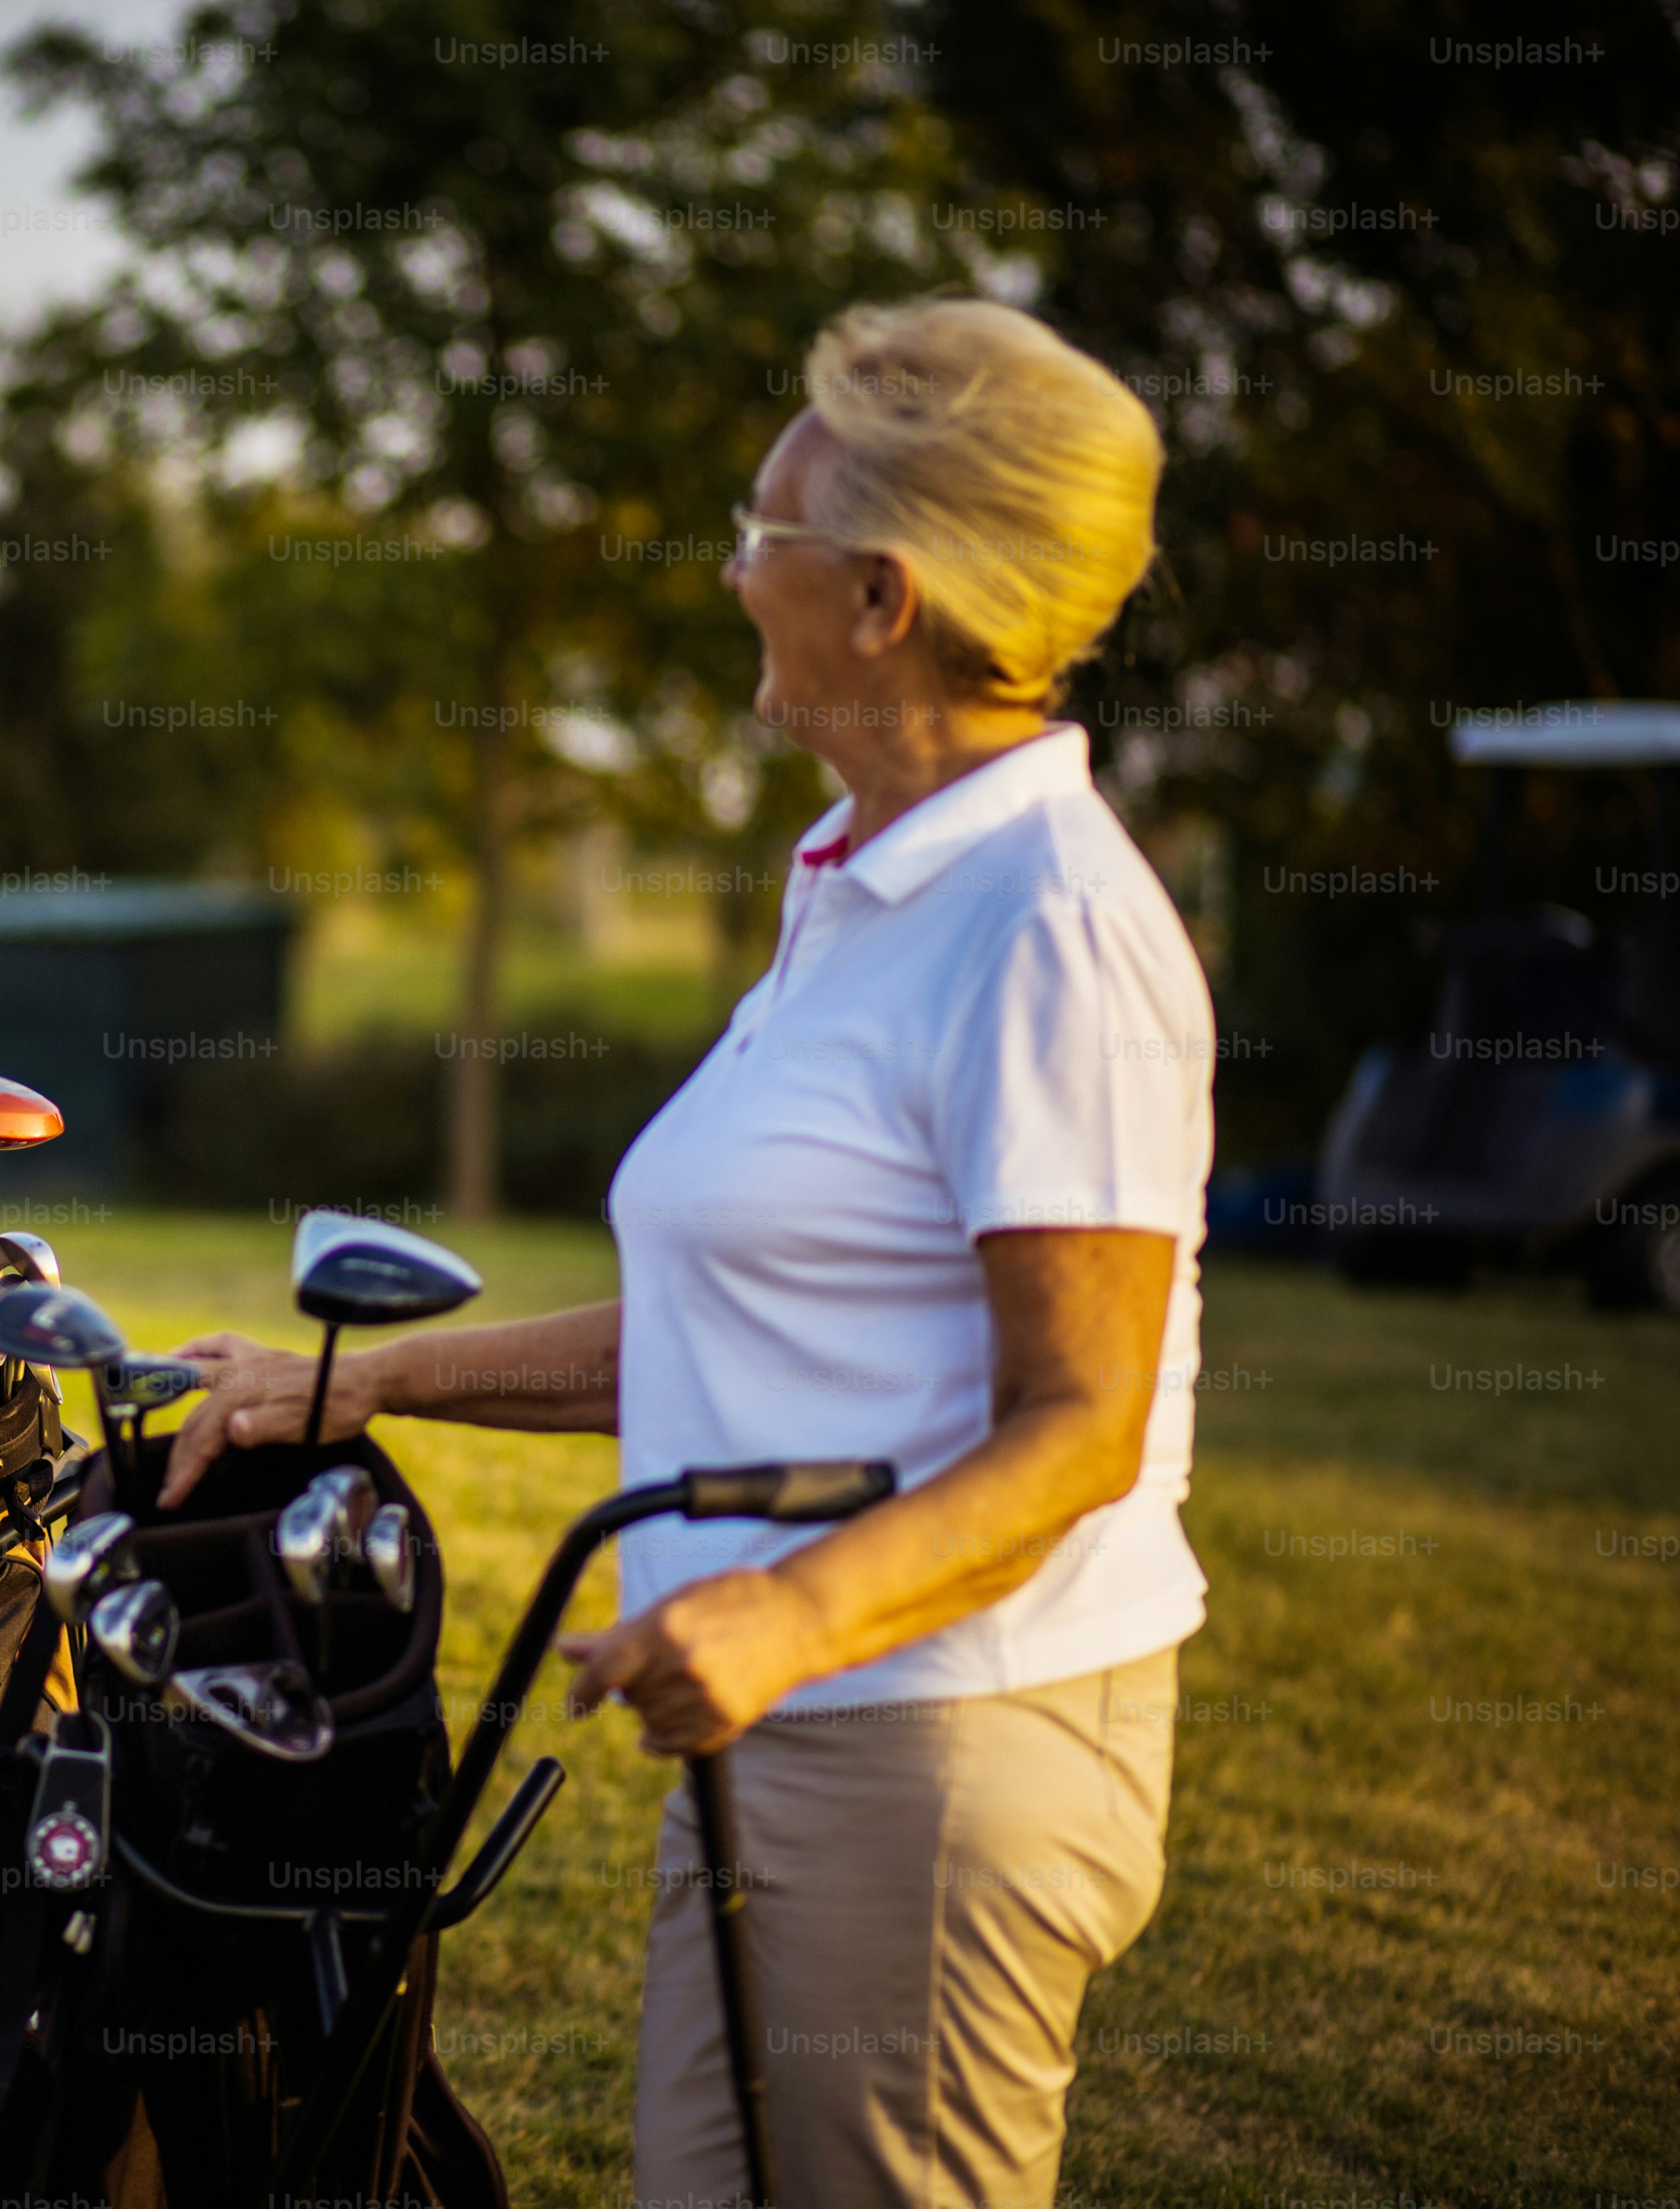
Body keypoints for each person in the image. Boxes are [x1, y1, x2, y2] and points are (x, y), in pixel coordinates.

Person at [165, 297, 1202, 2209]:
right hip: (784, 1741)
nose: (731, 573)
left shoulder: (1044, 924)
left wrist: (788, 1613)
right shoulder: (859, 882)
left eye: (760, 532)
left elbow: (1081, 1423)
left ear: (881, 596)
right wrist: (360, 1378)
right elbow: (730, 1338)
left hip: (930, 1748)